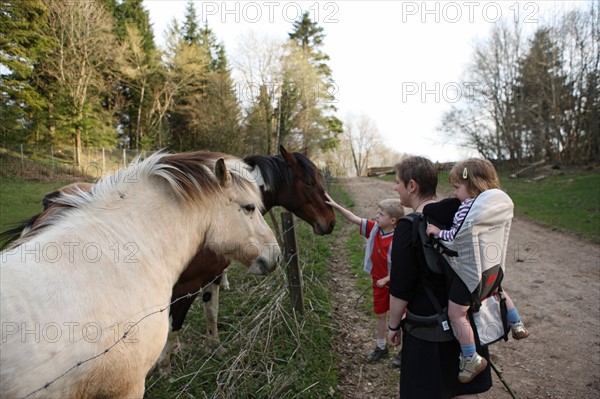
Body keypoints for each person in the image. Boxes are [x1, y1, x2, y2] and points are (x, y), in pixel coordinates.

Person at [387, 155, 493, 399]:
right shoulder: (463, 210)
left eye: (397, 182)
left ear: (412, 186)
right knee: (462, 389)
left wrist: (393, 326)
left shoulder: (409, 226)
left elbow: (401, 288)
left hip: (428, 331)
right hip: (467, 324)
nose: (395, 187)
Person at [425, 158, 529, 383]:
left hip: (469, 275)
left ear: (472, 185)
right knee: (499, 290)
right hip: (492, 269)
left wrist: (435, 231)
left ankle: (471, 356)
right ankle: (516, 323)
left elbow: (454, 238)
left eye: (456, 187)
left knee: (457, 314)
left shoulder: (467, 208)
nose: (454, 194)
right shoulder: (494, 207)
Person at [325, 192, 404, 364]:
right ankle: (381, 347)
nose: (377, 215)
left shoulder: (398, 240)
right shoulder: (373, 229)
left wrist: (388, 278)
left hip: (398, 284)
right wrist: (336, 205)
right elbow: (354, 218)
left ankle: (404, 351)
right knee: (381, 315)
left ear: (392, 221)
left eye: (381, 214)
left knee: (402, 317)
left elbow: (403, 267)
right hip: (378, 282)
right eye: (377, 212)